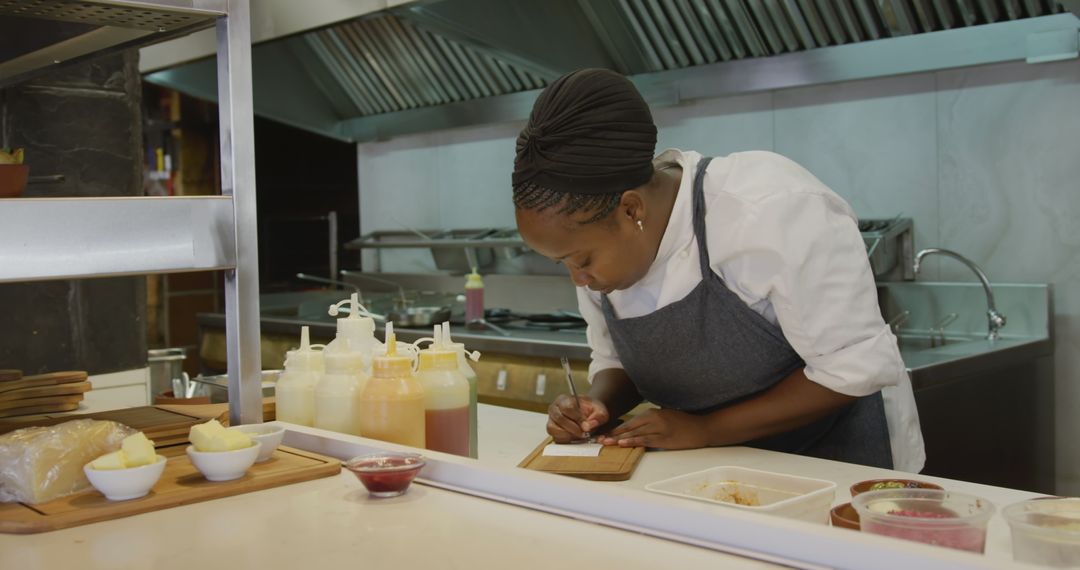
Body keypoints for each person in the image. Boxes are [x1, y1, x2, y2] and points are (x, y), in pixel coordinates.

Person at [512, 68, 924, 471]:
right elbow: (615, 360)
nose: (578, 279)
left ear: (631, 209)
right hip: (714, 471)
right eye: (563, 263)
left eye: (582, 261)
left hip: (837, 460)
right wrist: (598, 404)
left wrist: (707, 429)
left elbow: (852, 369)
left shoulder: (769, 208)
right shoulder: (597, 233)